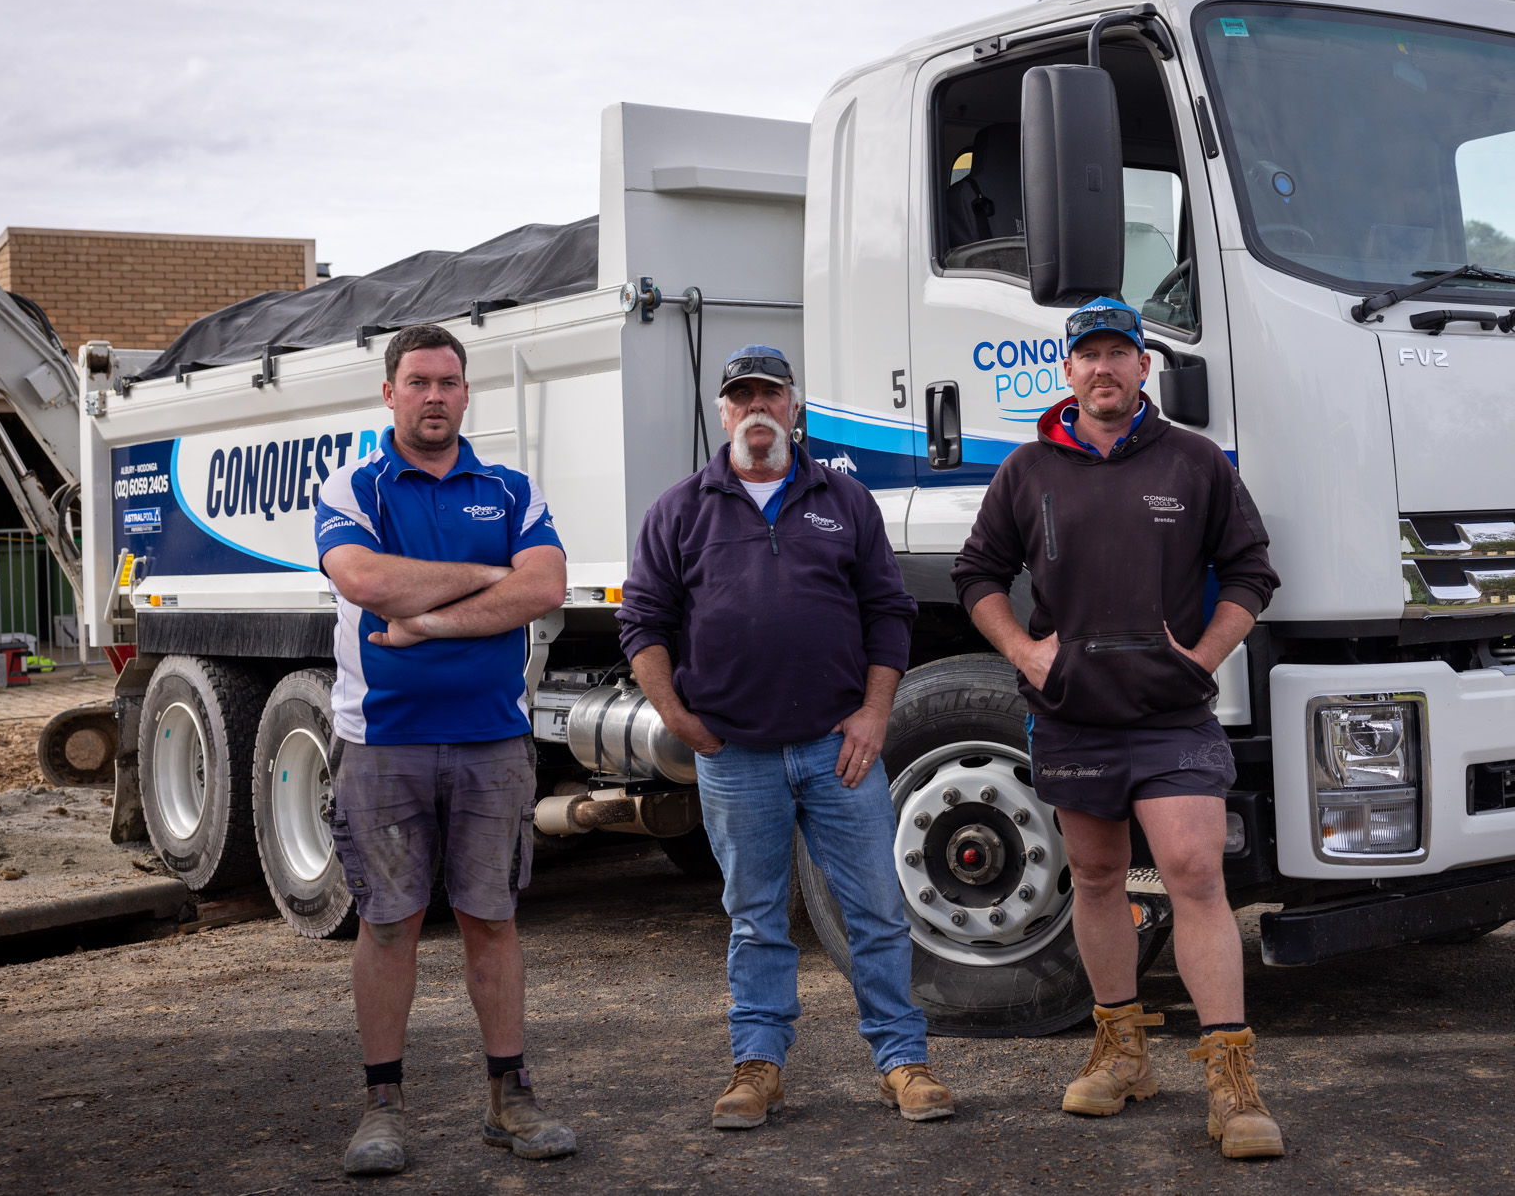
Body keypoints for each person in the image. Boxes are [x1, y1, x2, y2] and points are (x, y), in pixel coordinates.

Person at [951, 297, 1285, 1160]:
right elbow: (977, 573)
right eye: (1088, 355)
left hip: (1170, 713)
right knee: (1097, 878)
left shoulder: (1196, 462)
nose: (1104, 368)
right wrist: (1026, 654)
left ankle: (1230, 1078)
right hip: (1073, 715)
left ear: (1145, 368)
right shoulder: (1027, 470)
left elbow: (1251, 571)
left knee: (1193, 873)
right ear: (1068, 372)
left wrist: (1204, 655)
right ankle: (1122, 1050)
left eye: (1119, 354)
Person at [617, 344, 953, 1130]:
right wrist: (675, 716)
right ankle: (757, 1067)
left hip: (836, 752)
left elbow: (889, 613)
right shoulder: (679, 510)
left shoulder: (847, 500)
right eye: (742, 397)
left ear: (794, 408)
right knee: (756, 917)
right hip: (735, 757)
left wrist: (875, 713)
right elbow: (643, 622)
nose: (756, 409)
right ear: (722, 413)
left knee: (875, 909)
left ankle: (903, 1063)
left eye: (771, 394)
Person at [314, 322, 575, 1174]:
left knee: (490, 922)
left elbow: (546, 586)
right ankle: (382, 1108)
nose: (435, 395)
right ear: (388, 392)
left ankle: (511, 1097)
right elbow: (365, 581)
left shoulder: (508, 489)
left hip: (492, 743)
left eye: (449, 382)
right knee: (388, 928)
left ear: (467, 394)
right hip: (383, 743)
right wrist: (487, 575)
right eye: (418, 381)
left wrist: (423, 620)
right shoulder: (355, 488)